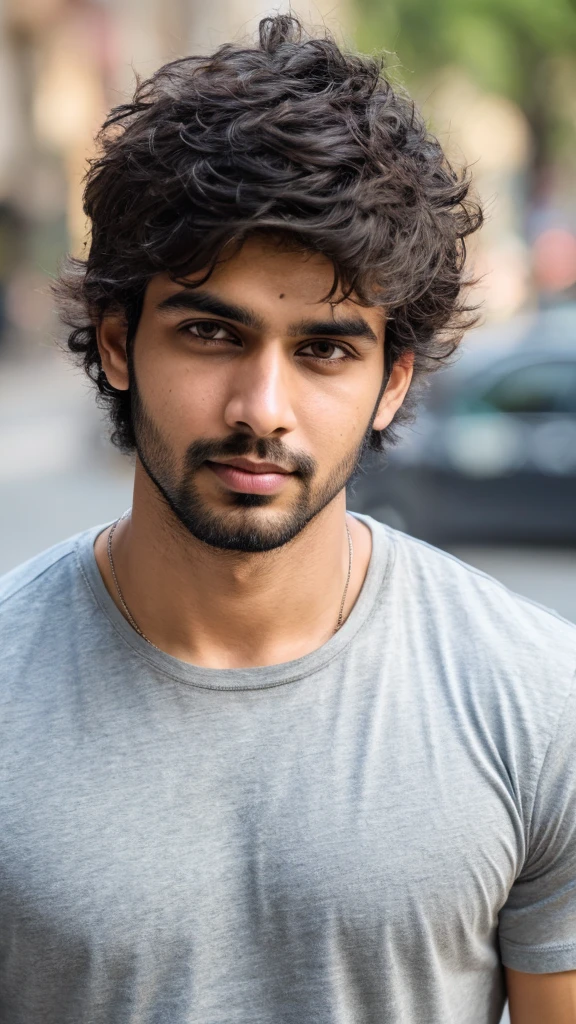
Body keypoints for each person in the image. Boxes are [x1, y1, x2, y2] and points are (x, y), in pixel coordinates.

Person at [0, 16, 575, 1024]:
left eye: (324, 350)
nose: (261, 405)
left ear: (393, 381)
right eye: (213, 332)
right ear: (120, 342)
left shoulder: (537, 703)